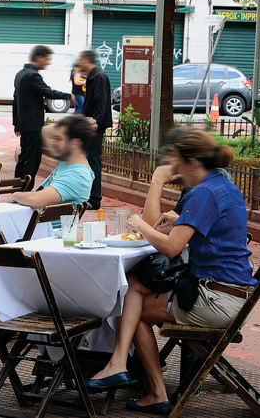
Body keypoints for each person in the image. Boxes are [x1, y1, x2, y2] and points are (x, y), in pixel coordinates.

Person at [85, 131, 256, 415]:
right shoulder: (223, 186)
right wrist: (180, 220)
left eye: (174, 160)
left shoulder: (203, 192)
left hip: (219, 300)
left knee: (132, 308)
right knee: (134, 289)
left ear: (192, 162)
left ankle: (147, 386)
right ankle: (122, 367)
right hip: (233, 295)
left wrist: (140, 225)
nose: (170, 166)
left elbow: (172, 248)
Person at [12, 45, 71, 188]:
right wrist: (69, 97)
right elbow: (48, 92)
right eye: (47, 59)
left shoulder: (20, 74)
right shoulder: (33, 75)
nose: (48, 63)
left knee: (24, 156)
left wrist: (17, 123)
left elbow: (15, 100)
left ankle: (17, 186)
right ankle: (25, 189)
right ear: (39, 58)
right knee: (32, 158)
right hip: (32, 124)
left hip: (24, 124)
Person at [9, 115, 94, 209]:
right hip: (35, 221)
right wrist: (77, 123)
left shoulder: (78, 176)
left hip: (42, 223)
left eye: (58, 139)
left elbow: (36, 200)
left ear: (74, 143)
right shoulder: (67, 162)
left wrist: (15, 195)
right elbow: (44, 131)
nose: (53, 143)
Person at [76, 50, 112, 210]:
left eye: (80, 60)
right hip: (90, 126)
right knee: (89, 161)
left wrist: (93, 123)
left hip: (95, 127)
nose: (78, 63)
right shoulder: (91, 77)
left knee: (93, 161)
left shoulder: (99, 77)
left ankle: (95, 199)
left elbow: (101, 105)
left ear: (87, 60)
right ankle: (88, 196)